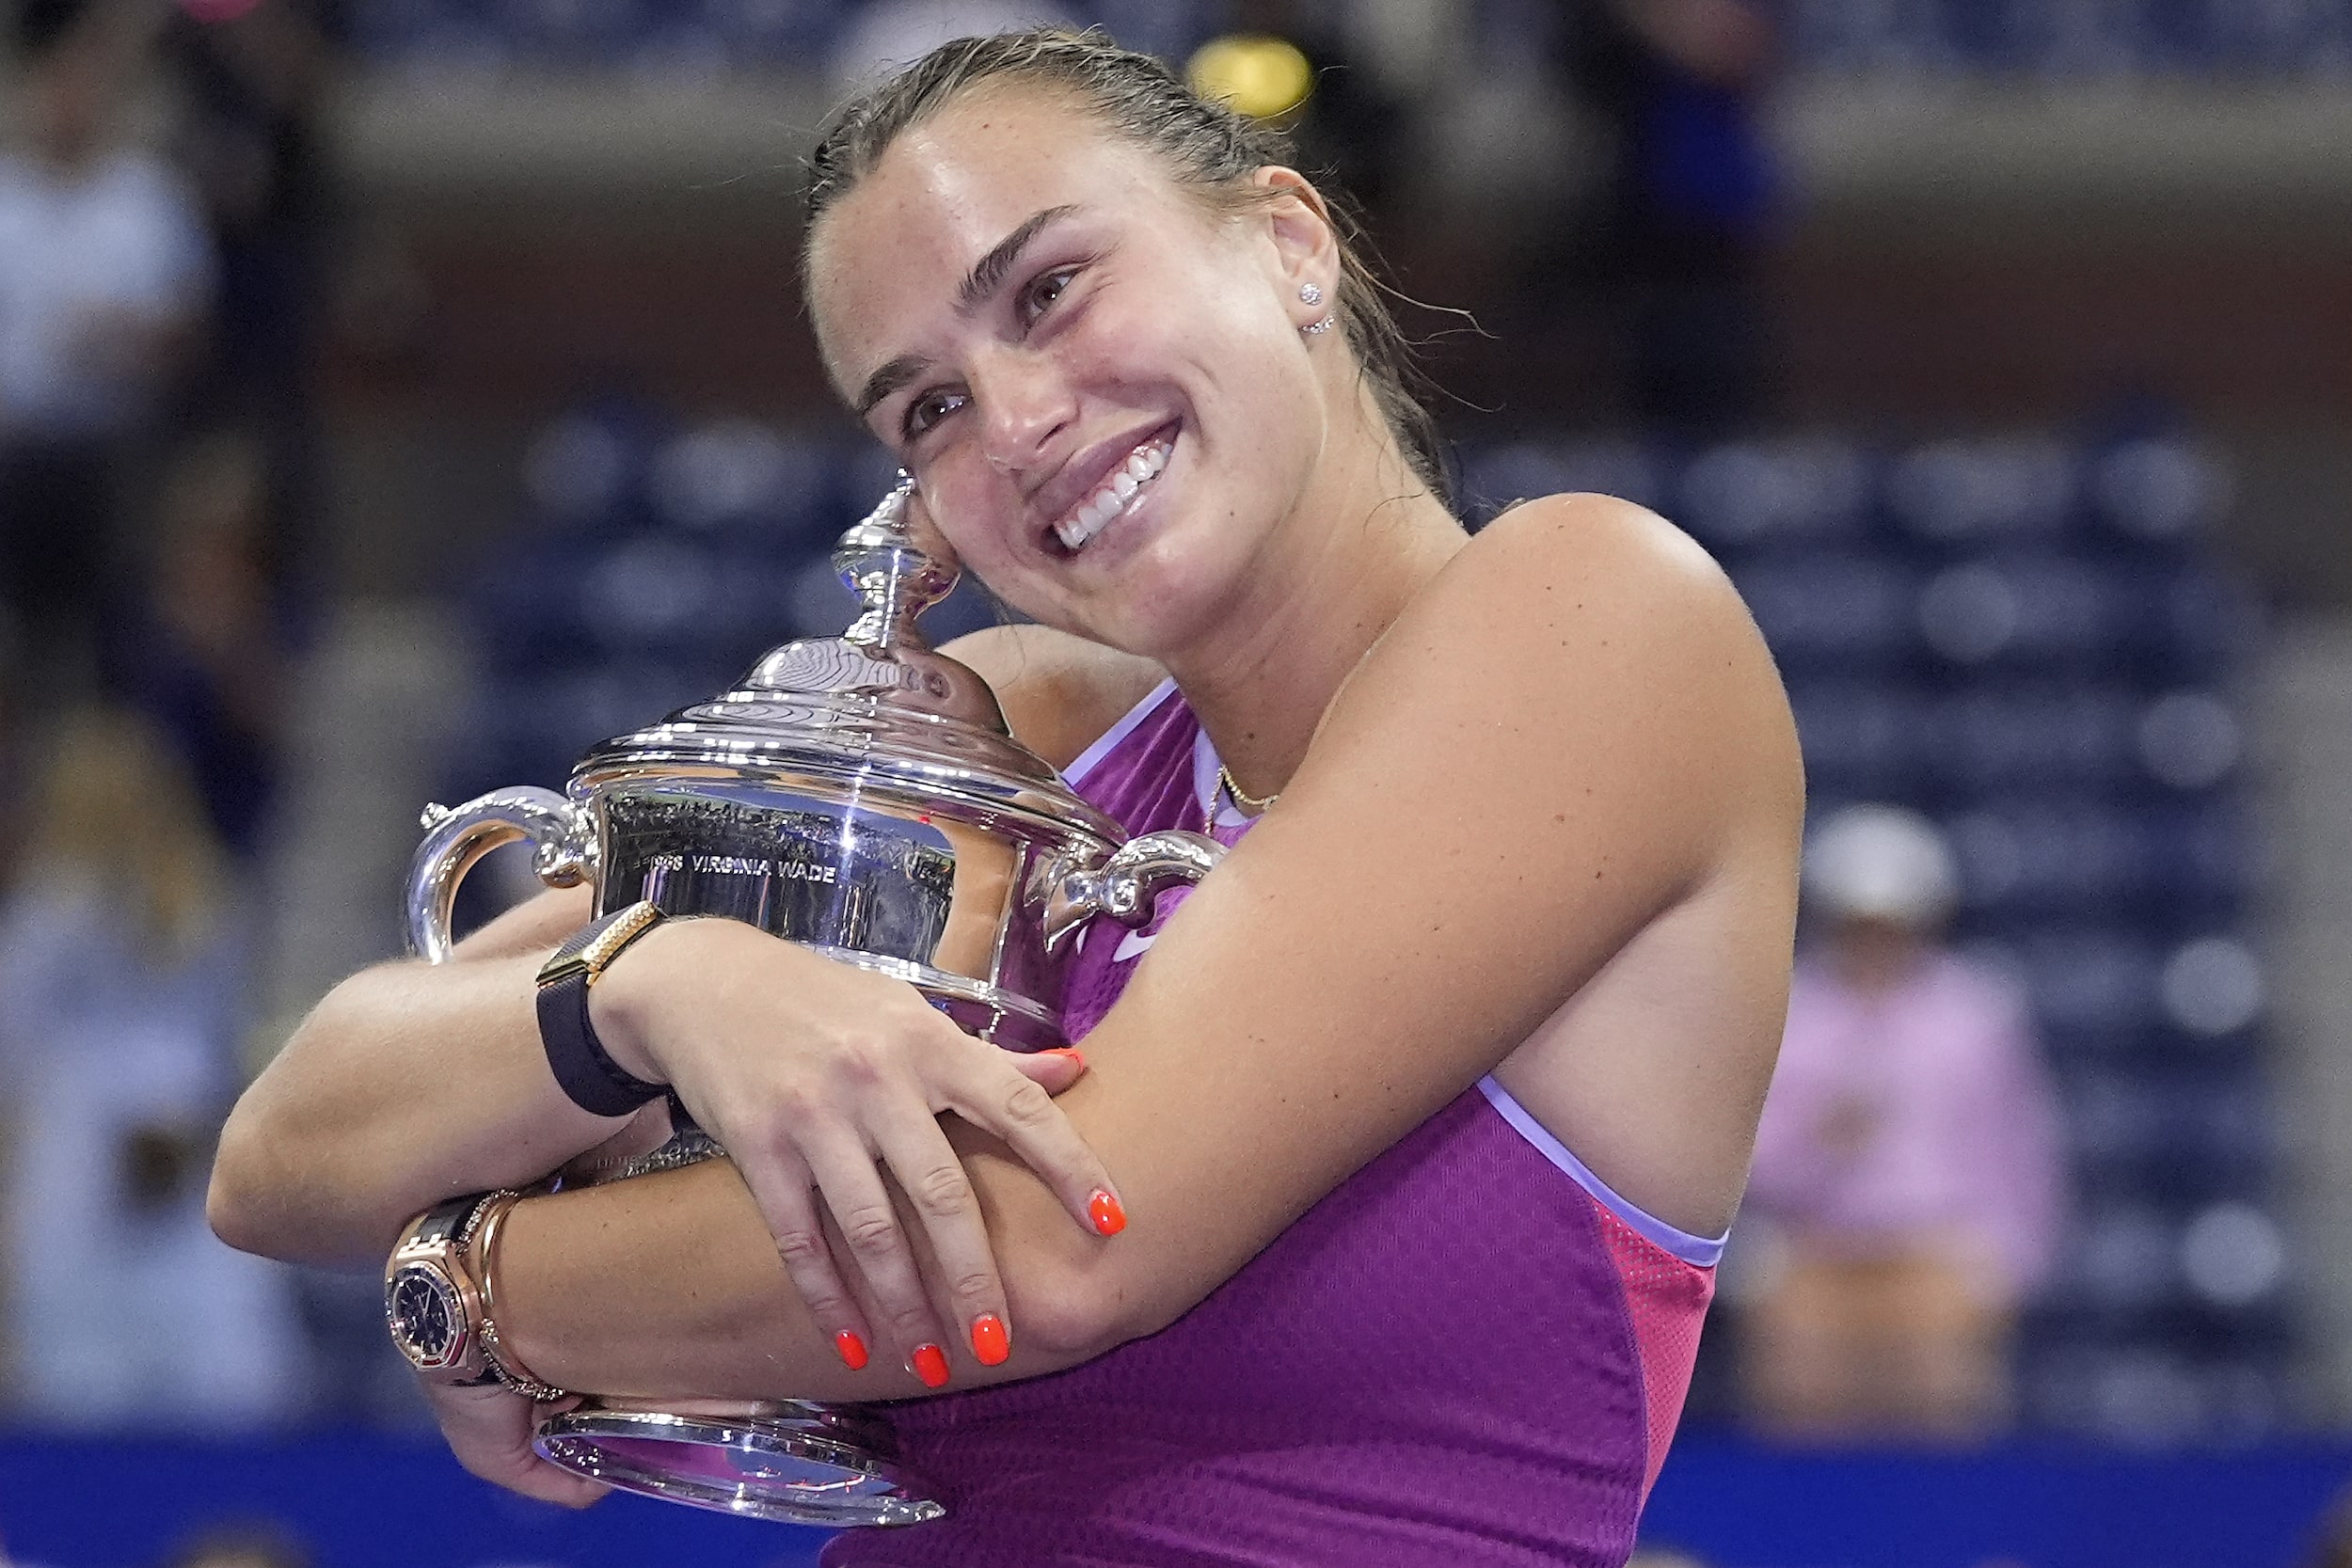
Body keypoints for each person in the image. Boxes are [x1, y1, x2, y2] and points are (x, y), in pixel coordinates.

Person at [210, 28, 1803, 1564]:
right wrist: (650, 984)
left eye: (1050, 289)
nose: (1019, 423)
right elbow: (288, 1141)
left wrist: (474, 1282)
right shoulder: (1022, 732)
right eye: (928, 409)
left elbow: (1056, 1243)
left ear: (1285, 241)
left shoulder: (1598, 617)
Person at [1740, 804, 2065, 1438]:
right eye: (1859, 924)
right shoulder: (1785, 1011)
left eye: (1891, 924)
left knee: (1947, 1417)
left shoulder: (1975, 1014)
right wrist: (1816, 1142)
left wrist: (2008, 1263)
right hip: (1812, 1252)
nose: (1874, 942)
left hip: (1938, 1253)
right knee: (1802, 1416)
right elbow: (1742, 1162)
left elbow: (2020, 1146)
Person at [0, 0, 215, 692]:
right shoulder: (6, 200)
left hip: (116, 453)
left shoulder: (145, 201)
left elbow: (190, 335)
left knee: (113, 629)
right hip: (16, 452)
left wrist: (125, 337)